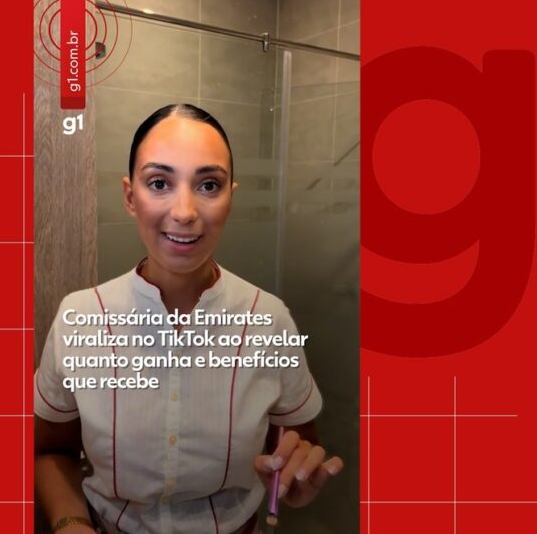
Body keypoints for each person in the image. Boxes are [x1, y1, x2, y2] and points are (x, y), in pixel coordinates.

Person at [35, 104, 343, 534]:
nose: (184, 211)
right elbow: (51, 451)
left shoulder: (269, 320)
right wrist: (70, 524)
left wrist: (296, 478)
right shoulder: (79, 318)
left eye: (209, 185)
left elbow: (299, 444)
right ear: (130, 196)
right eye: (159, 182)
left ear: (230, 197)